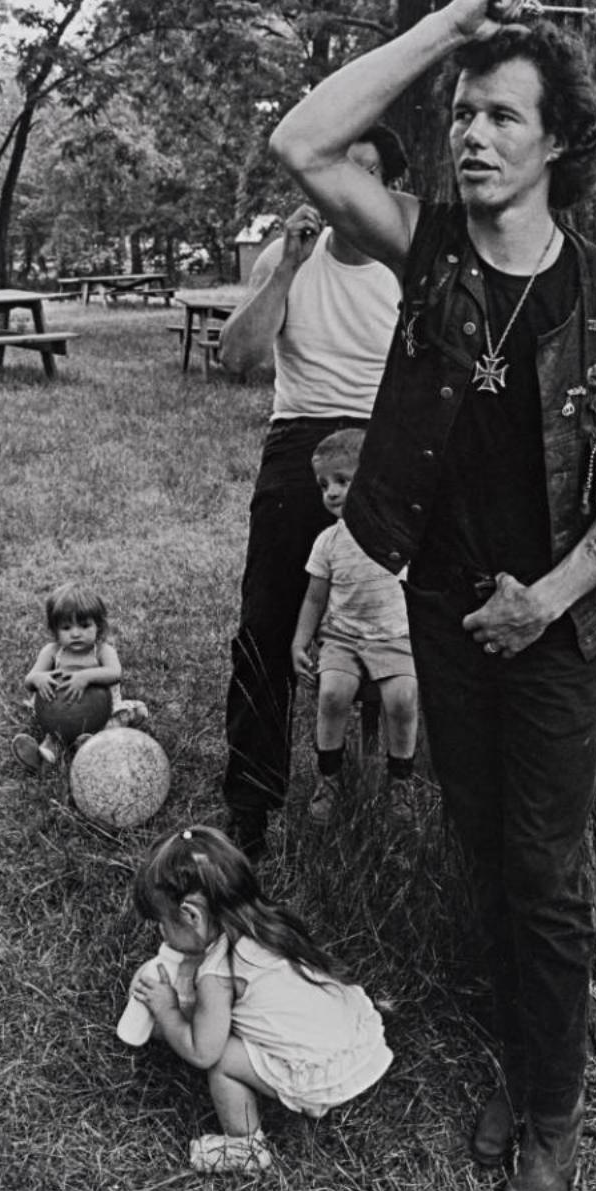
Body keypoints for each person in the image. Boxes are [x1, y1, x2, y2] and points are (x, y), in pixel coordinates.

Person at [269, 0, 596, 1191]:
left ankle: (551, 1116)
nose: (472, 133)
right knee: (486, 846)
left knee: (547, 870)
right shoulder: (429, 248)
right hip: (445, 606)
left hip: (551, 624)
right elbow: (301, 142)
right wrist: (452, 29)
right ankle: (524, 1060)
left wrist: (551, 595)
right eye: (463, 113)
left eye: (502, 114)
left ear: (557, 139)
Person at [218, 125, 409, 859]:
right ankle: (253, 799)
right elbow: (236, 357)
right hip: (300, 436)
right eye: (334, 170)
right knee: (267, 619)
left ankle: (402, 773)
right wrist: (286, 271)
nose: (345, 188)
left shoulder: (405, 269)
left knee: (405, 608)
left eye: (364, 173)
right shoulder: (288, 256)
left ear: (389, 188)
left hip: (385, 438)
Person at [129, 825, 394, 1174]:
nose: (161, 932)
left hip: (317, 1076)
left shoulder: (216, 974)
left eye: (162, 923)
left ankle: (245, 1147)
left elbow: (201, 1050)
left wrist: (166, 1010)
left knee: (223, 1056)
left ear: (192, 915)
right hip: (359, 1041)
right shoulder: (266, 923)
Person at [291, 429, 418, 824]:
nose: (331, 492)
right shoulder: (328, 542)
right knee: (332, 695)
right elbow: (315, 597)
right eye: (324, 484)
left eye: (342, 481)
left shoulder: (400, 534)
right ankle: (329, 779)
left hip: (394, 638)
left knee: (402, 698)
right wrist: (300, 641)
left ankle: (400, 784)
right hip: (342, 639)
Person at [11, 581, 148, 771]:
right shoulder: (51, 651)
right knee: (54, 736)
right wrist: (39, 679)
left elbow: (115, 673)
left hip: (101, 714)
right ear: (55, 630)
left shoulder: (102, 651)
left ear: (98, 627)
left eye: (84, 626)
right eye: (66, 628)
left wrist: (86, 677)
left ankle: (89, 746)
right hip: (59, 716)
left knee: (109, 727)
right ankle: (42, 758)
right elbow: (29, 680)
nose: (76, 634)